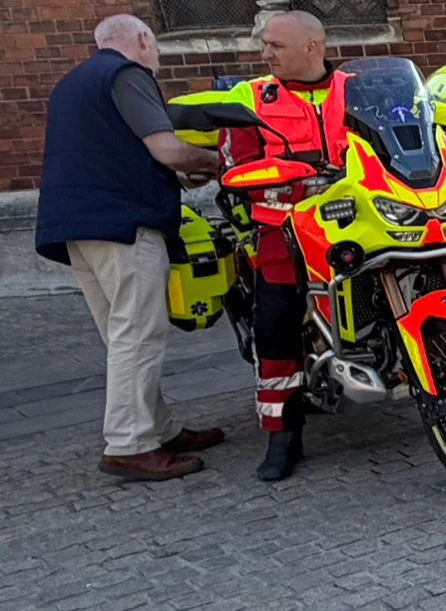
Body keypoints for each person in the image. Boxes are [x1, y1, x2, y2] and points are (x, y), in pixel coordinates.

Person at [36, 15, 226, 481]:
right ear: (142, 39)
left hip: (75, 224)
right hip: (124, 223)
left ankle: (157, 428)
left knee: (123, 334)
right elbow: (168, 151)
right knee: (138, 334)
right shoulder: (127, 74)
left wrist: (179, 176)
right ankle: (129, 444)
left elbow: (114, 154)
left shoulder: (71, 84)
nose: (155, 55)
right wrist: (220, 162)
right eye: (154, 44)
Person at [188, 11, 346, 481]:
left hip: (357, 217)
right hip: (284, 228)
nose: (265, 53)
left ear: (312, 47)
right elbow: (235, 166)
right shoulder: (251, 97)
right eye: (265, 44)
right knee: (274, 322)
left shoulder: (358, 89)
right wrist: (279, 181)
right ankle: (283, 434)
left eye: (276, 45)